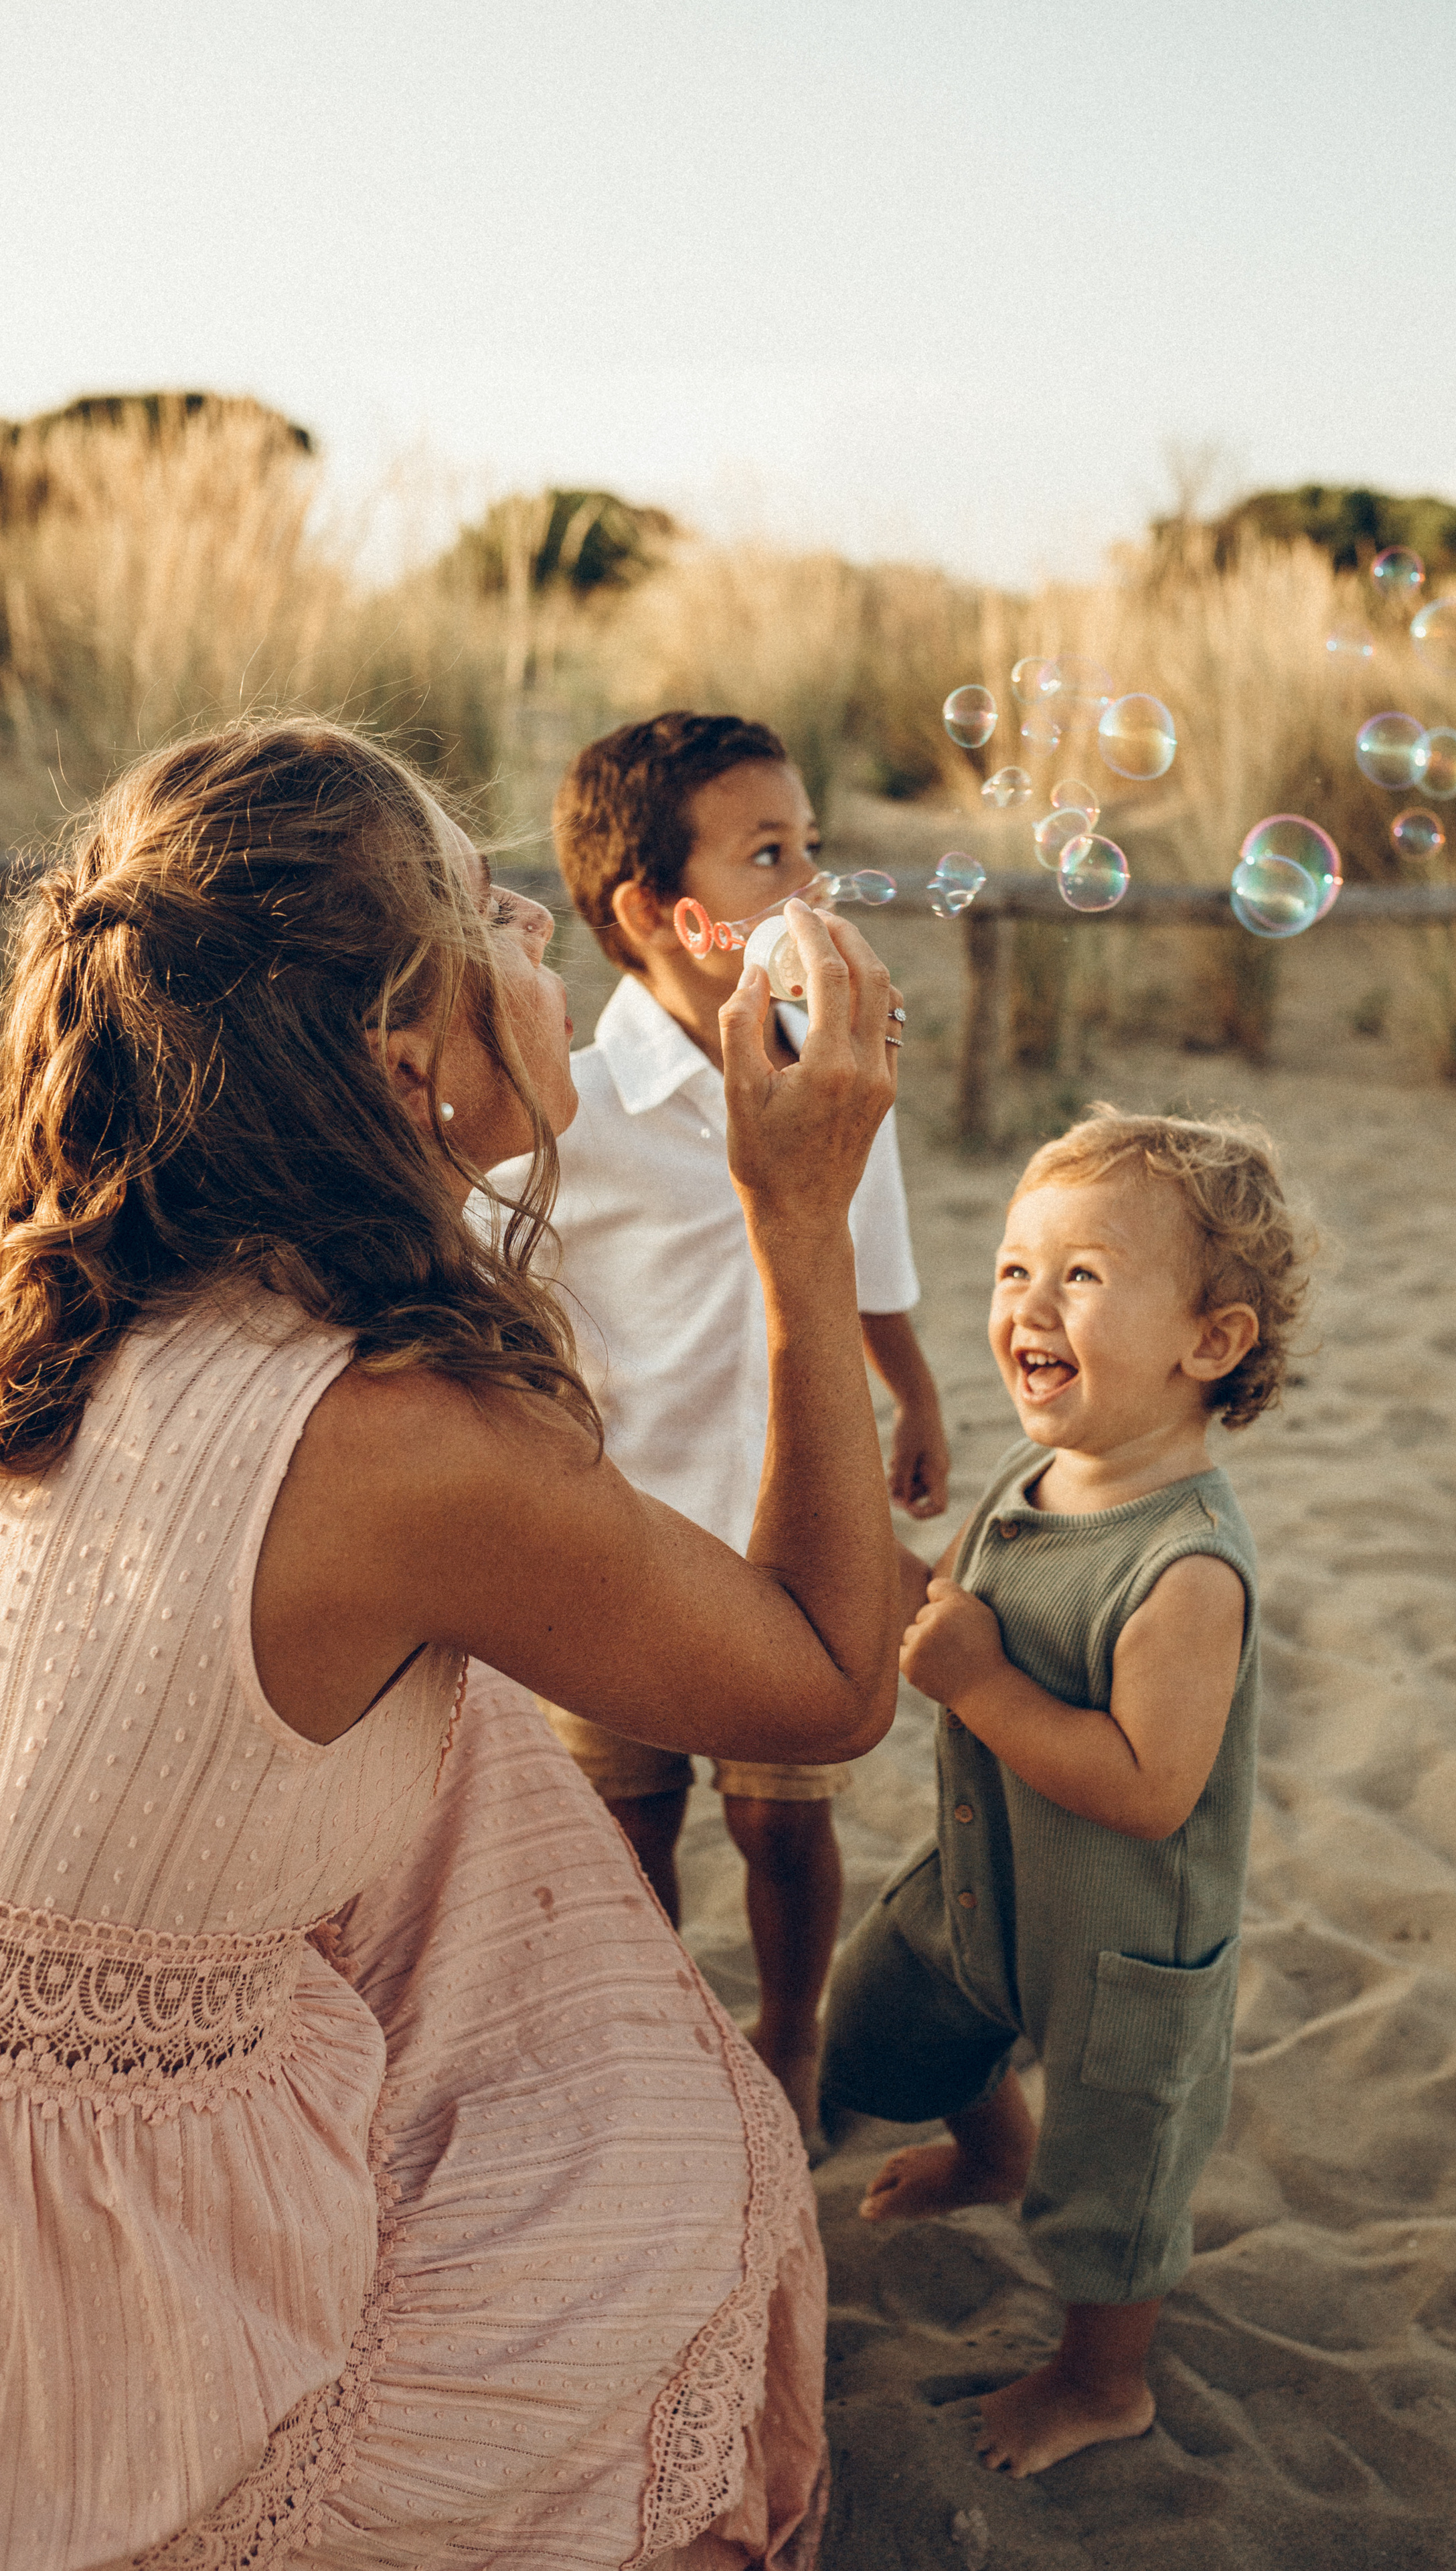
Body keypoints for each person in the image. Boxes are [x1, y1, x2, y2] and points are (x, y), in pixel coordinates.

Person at [0, 717, 908, 2570]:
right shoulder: (403, 1438)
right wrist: (794, 1211)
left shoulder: (99, 1269)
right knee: (691, 2185)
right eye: (487, 917)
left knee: (487, 1771)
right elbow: (831, 1680)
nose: (538, 937)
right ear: (401, 1053)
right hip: (91, 2284)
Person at [819, 1108, 1313, 2479]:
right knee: (882, 2029)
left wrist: (977, 1686)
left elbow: (1152, 1789)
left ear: (1208, 1343)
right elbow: (978, 1606)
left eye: (1082, 1276)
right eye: (1012, 1271)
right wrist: (901, 1569)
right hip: (985, 1887)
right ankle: (988, 2153)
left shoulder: (1185, 1568)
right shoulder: (1040, 1480)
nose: (1030, 1303)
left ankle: (1103, 2382)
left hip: (1119, 1948)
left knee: (1112, 2188)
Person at [509, 713, 948, 2138]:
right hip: (619, 1538)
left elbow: (865, 1241)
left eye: (812, 847)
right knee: (625, 1820)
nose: (808, 884)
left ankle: (789, 2035)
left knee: (781, 1816)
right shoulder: (567, 1107)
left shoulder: (827, 1068)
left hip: (793, 1528)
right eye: (769, 854)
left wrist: (917, 1388)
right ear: (653, 910)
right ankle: (648, 2037)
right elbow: (490, 1276)